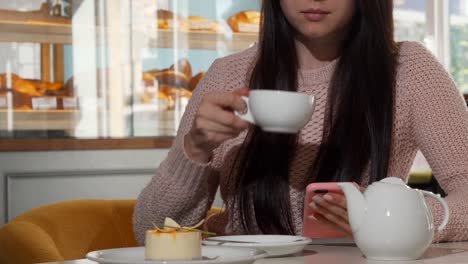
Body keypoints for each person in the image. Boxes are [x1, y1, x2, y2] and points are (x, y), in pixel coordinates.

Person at [133, 0, 468, 244]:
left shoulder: (408, 69)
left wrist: (390, 218)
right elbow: (149, 229)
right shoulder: (227, 74)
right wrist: (194, 149)